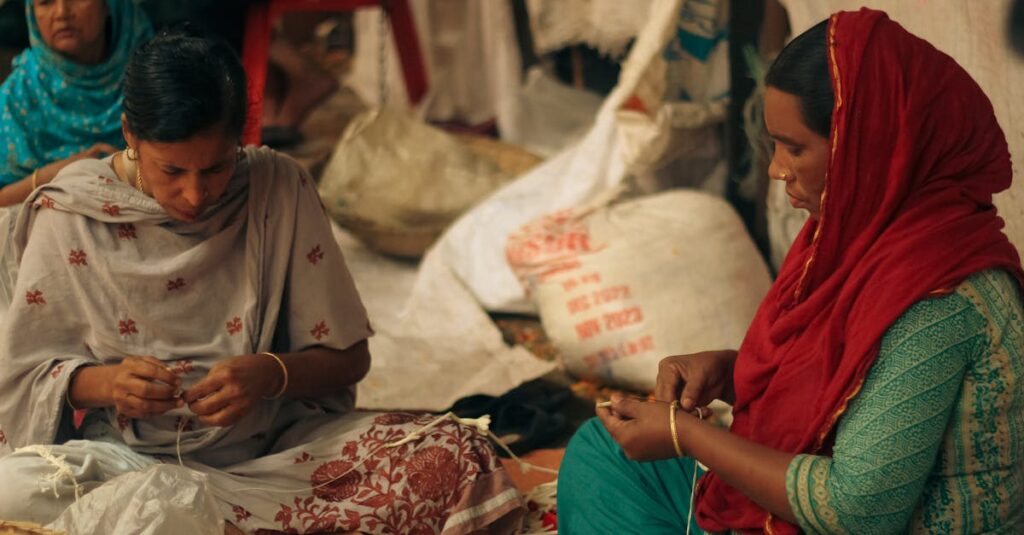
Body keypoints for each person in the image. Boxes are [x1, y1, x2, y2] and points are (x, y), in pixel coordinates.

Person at [0, 29, 524, 534]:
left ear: (241, 140)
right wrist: (106, 384)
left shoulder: (278, 187)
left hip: (276, 455)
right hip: (120, 465)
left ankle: (203, 526)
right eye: (172, 171)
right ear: (130, 135)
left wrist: (269, 373)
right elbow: (24, 376)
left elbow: (349, 359)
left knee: (455, 454)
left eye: (216, 168)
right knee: (12, 490)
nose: (194, 194)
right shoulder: (71, 212)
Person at [558, 9, 1024, 534]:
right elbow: (846, 387)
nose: (777, 168)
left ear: (865, 145)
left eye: (794, 147)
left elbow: (858, 511)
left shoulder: (939, 299)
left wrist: (686, 435)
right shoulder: (860, 243)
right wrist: (733, 375)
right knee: (605, 451)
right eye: (774, 144)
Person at [0, 0, 151, 207]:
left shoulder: (153, 76)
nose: (61, 12)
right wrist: (56, 174)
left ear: (109, 5)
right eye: (45, 2)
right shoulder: (17, 98)